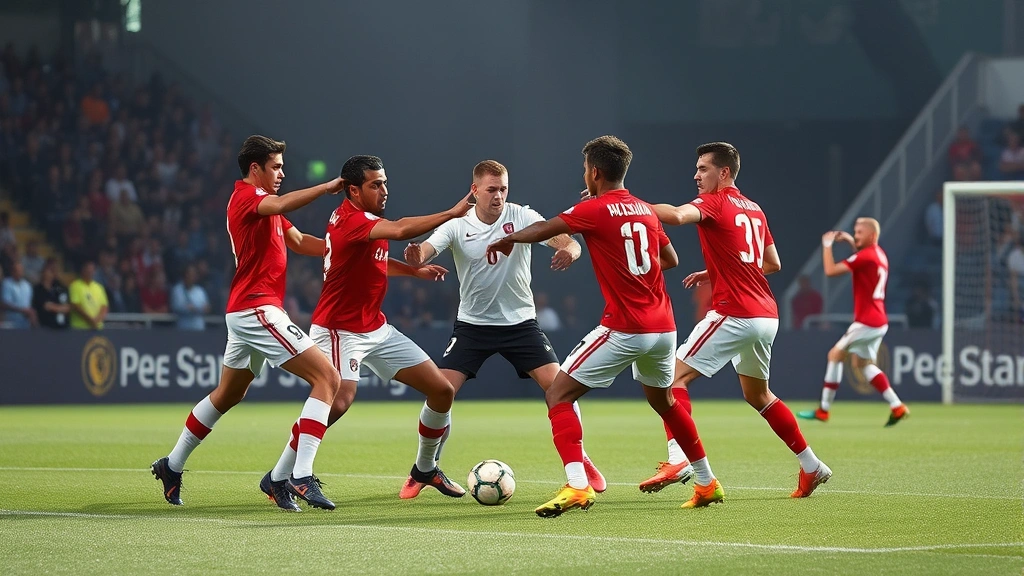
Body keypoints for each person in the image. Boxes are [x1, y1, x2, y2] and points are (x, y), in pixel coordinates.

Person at [486, 135, 700, 517]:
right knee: (665, 402)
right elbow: (670, 259)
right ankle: (707, 480)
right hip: (665, 327)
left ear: (595, 171)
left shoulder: (594, 209)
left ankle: (577, 486)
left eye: (586, 168)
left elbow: (546, 228)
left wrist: (510, 239)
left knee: (558, 394)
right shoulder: (645, 209)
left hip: (626, 327)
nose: (584, 173)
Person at [262, 154, 472, 509]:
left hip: (375, 327)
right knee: (338, 401)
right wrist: (452, 213)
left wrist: (412, 271)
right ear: (353, 191)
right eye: (376, 184)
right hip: (339, 330)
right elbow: (404, 229)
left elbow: (374, 262)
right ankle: (286, 476)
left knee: (441, 390)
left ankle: (424, 469)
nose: (384, 190)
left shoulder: (367, 221)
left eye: (384, 182)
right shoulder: (351, 220)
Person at [152, 135, 345, 509]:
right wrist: (326, 187)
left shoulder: (267, 207)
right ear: (255, 168)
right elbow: (283, 202)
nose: (282, 173)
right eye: (276, 167)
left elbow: (300, 240)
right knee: (328, 378)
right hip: (257, 309)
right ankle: (298, 476)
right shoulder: (246, 197)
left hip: (247, 310)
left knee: (228, 394)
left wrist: (342, 248)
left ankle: (171, 465)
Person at [402, 159, 605, 498]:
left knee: (560, 388)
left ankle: (579, 458)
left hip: (521, 325)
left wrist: (571, 250)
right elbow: (423, 251)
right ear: (475, 190)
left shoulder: (522, 216)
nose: (498, 196)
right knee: (441, 393)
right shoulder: (457, 225)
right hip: (472, 326)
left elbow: (568, 241)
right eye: (491, 189)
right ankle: (423, 468)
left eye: (503, 189)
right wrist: (414, 256)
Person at [648, 141, 831, 505]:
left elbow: (677, 216)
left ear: (724, 172)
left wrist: (626, 206)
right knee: (758, 395)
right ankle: (811, 465)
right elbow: (772, 263)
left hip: (736, 313)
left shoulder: (715, 202)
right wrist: (716, 270)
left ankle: (679, 458)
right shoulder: (755, 209)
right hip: (766, 315)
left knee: (670, 378)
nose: (696, 175)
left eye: (703, 169)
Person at [798, 218, 909, 426]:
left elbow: (830, 271)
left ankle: (823, 409)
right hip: (879, 320)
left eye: (859, 233)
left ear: (872, 236)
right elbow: (860, 255)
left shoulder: (865, 257)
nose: (856, 235)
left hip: (866, 321)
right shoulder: (878, 254)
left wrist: (827, 245)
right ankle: (897, 405)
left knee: (834, 354)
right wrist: (850, 240)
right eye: (855, 232)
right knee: (862, 363)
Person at [68, 260, 108, 330]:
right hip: (80, 328)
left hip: (96, 328)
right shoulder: (75, 286)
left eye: (92, 270)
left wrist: (97, 320)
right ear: (83, 270)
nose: (90, 272)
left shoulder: (99, 287)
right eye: (88, 270)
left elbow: (104, 307)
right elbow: (76, 306)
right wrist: (91, 321)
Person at [170, 264, 210, 330]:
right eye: (190, 274)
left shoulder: (200, 291)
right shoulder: (177, 290)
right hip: (183, 328)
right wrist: (188, 308)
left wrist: (196, 308)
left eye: (194, 274)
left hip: (198, 328)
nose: (192, 276)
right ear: (185, 275)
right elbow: (175, 306)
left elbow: (207, 308)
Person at [32, 260, 70, 329]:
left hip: (62, 328)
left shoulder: (60, 287)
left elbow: (67, 307)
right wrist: (60, 308)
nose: (51, 273)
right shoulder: (37, 289)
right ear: (43, 272)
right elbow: (46, 306)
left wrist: (55, 307)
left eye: (53, 271)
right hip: (45, 327)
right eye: (49, 270)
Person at [1, 260, 36, 328]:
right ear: (12, 271)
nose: (19, 272)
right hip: (11, 323)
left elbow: (29, 305)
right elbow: (5, 304)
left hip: (25, 323)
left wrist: (30, 313)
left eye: (21, 270)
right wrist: (22, 310)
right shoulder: (7, 283)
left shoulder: (27, 286)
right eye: (17, 270)